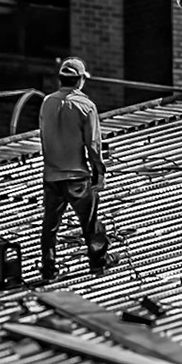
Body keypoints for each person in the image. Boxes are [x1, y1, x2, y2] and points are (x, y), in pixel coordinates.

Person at [38, 57, 109, 283]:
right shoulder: (86, 106)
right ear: (79, 81)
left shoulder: (47, 103)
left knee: (50, 226)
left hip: (51, 175)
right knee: (90, 223)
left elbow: (44, 136)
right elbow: (94, 145)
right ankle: (97, 263)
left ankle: (48, 269)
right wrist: (99, 171)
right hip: (76, 176)